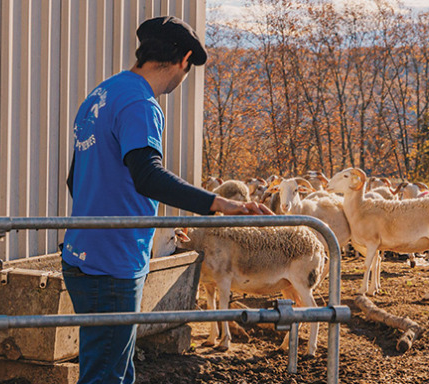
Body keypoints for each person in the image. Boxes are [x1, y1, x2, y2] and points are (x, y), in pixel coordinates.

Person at [60, 16, 272, 384]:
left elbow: (75, 179)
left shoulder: (100, 95)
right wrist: (220, 203)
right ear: (184, 60)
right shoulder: (140, 104)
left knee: (113, 367)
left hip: (81, 252)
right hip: (114, 262)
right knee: (107, 375)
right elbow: (148, 176)